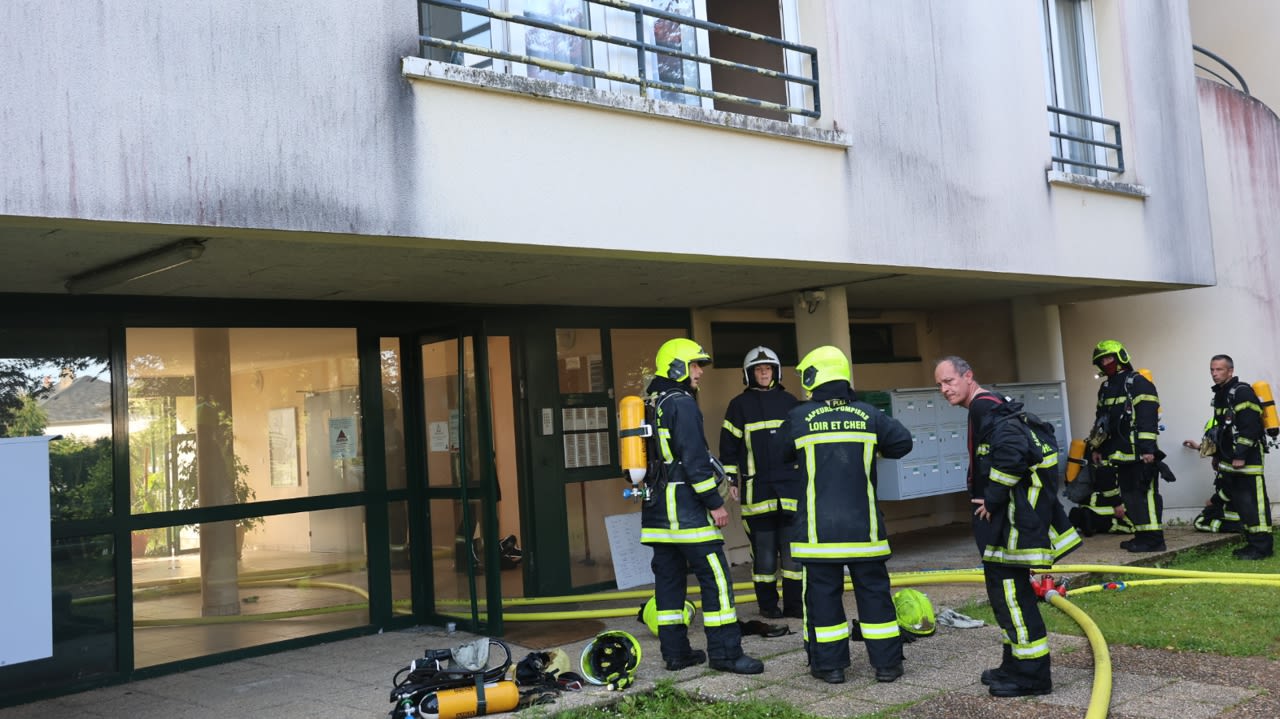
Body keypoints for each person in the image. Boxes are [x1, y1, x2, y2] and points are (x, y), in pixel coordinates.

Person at [935, 356, 1081, 698]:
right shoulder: (988, 407)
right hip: (1007, 524)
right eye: (939, 384)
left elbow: (1013, 451)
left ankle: (1033, 676)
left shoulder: (987, 408)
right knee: (1003, 598)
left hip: (1010, 524)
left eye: (949, 381)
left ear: (968, 376)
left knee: (1013, 599)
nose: (944, 389)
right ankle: (1013, 664)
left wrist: (993, 498)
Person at [777, 345, 913, 685]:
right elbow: (903, 443)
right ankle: (887, 666)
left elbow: (779, 452)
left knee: (823, 600)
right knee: (875, 596)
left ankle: (830, 667)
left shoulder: (798, 416)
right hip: (864, 530)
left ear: (813, 377)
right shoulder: (868, 414)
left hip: (818, 533)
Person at [639, 338, 764, 675]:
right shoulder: (681, 403)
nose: (699, 372)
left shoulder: (653, 401)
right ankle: (726, 655)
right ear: (676, 367)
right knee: (717, 580)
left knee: (668, 585)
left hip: (657, 515)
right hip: (687, 512)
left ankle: (676, 654)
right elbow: (694, 461)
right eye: (694, 365)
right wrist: (714, 503)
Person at [719, 346, 803, 619]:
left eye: (767, 368)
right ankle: (768, 607)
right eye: (758, 369)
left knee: (793, 556)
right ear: (749, 374)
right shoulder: (738, 406)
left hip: (790, 491)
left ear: (775, 371)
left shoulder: (791, 402)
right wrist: (731, 479)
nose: (764, 372)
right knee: (764, 556)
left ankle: (795, 605)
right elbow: (728, 448)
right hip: (758, 493)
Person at [1180, 355, 1273, 559]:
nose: (1214, 373)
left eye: (1219, 370)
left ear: (1230, 371)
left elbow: (1250, 427)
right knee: (1243, 506)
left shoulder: (1241, 392)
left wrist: (1240, 455)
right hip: (1230, 463)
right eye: (1212, 370)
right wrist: (1217, 456)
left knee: (1254, 505)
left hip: (1247, 463)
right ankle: (1252, 544)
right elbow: (1223, 431)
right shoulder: (1222, 395)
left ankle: (1262, 547)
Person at [1088, 340, 1166, 552]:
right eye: (1102, 360)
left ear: (1121, 356)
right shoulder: (1105, 388)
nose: (1106, 363)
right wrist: (1097, 448)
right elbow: (1101, 420)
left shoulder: (1138, 382)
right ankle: (1142, 537)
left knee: (1146, 495)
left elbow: (1147, 417)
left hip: (1139, 454)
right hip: (1119, 454)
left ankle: (1154, 540)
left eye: (1109, 358)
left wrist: (1148, 450)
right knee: (1131, 496)